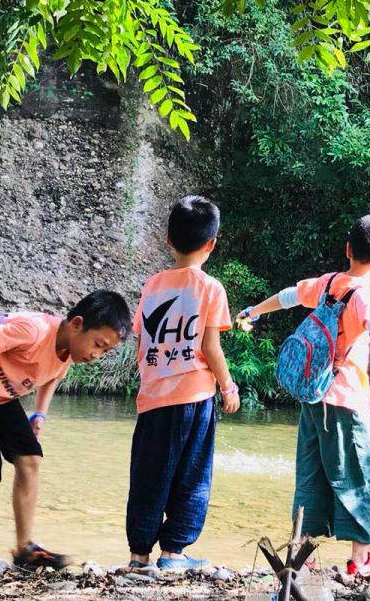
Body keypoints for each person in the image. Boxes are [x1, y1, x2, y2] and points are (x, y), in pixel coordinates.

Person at [238, 215, 370, 575]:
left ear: (348, 250)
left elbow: (289, 297)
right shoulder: (363, 297)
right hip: (346, 402)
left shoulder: (329, 284)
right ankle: (359, 560)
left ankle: (302, 556)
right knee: (363, 473)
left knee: (311, 474)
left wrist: (254, 311)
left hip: (313, 397)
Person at [0, 291, 133, 573]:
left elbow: (52, 376)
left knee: (30, 458)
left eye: (105, 351)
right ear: (76, 324)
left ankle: (25, 548)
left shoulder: (69, 350)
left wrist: (39, 414)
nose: (97, 355)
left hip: (0, 394)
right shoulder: (33, 331)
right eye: (98, 344)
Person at [126, 195, 240, 571]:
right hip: (194, 397)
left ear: (168, 240)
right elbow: (209, 346)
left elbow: (143, 340)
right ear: (211, 244)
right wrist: (228, 387)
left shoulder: (152, 285)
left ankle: (138, 554)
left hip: (154, 398)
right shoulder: (211, 288)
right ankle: (174, 553)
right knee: (191, 475)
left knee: (148, 474)